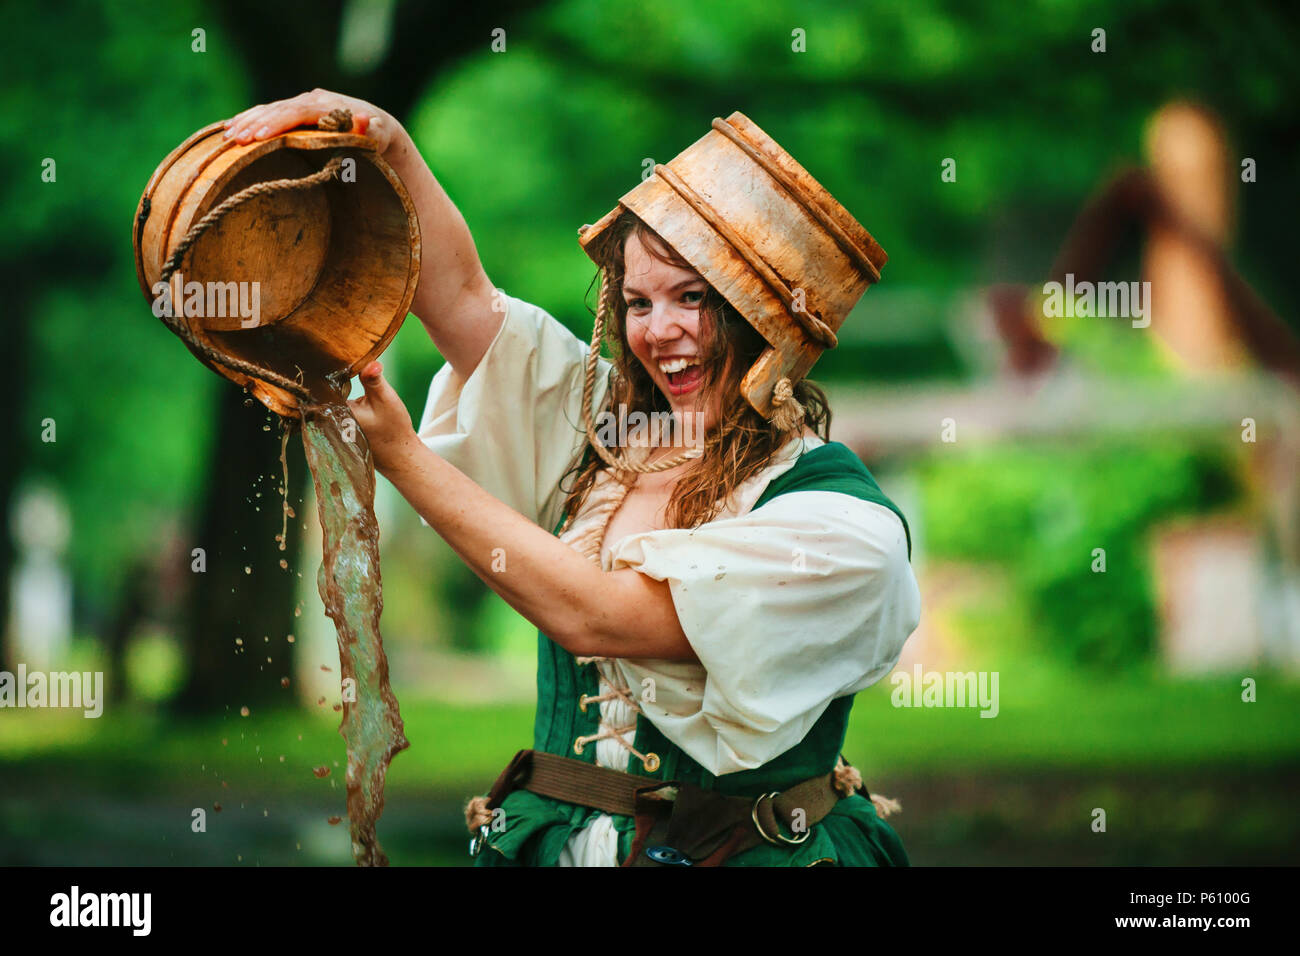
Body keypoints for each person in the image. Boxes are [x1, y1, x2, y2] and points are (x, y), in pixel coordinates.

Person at [224, 91, 922, 867]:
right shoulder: (607, 438)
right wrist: (388, 147)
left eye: (695, 297)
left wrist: (400, 457)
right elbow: (461, 299)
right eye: (637, 301)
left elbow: (601, 617)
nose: (661, 330)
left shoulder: (840, 527)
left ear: (768, 318)